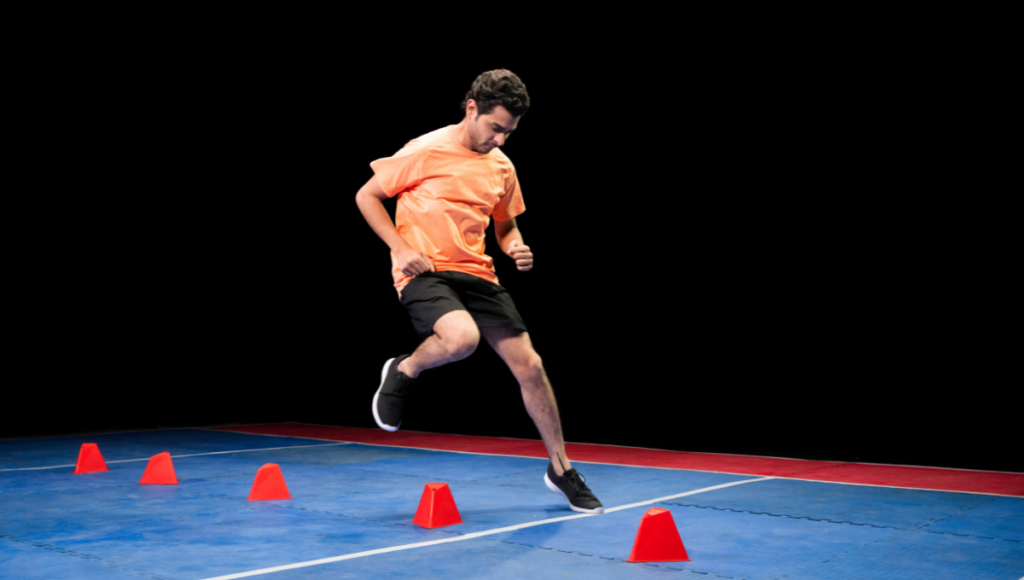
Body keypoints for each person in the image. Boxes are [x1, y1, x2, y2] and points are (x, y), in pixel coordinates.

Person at [354, 69, 603, 514]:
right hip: (425, 269)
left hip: (479, 275)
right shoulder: (425, 149)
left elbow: (506, 222)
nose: (501, 139)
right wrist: (400, 247)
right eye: (495, 128)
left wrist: (515, 246)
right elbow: (366, 196)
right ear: (472, 108)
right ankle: (405, 368)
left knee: (531, 366)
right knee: (461, 339)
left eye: (509, 132)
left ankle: (561, 469)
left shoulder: (502, 165)